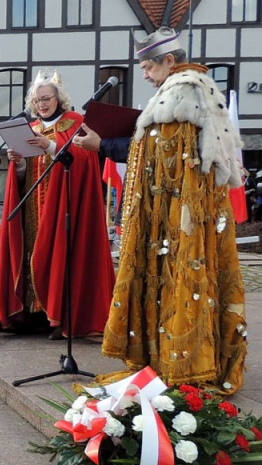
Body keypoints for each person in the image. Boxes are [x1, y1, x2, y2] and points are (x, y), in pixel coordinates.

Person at [90, 28, 248, 393]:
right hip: (183, 211)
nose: (144, 75)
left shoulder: (182, 95)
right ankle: (175, 353)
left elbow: (163, 154)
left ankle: (184, 361)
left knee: (182, 280)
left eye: (148, 67)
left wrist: (103, 144)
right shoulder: (194, 90)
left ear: (170, 62)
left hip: (178, 215)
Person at [0, 69, 115, 339]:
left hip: (65, 208)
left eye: (47, 98)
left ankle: (60, 318)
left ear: (59, 99)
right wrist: (17, 163)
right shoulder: (32, 128)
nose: (42, 104)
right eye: (37, 100)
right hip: (31, 209)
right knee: (30, 256)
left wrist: (50, 146)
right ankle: (32, 315)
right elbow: (24, 176)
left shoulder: (75, 122)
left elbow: (84, 160)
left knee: (58, 257)